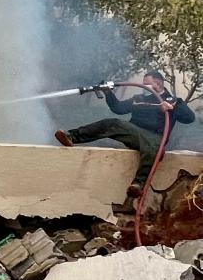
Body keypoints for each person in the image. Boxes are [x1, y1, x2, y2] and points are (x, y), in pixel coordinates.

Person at [54, 70, 195, 198]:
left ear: (158, 83)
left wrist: (171, 108)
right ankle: (72, 136)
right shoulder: (138, 99)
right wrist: (108, 93)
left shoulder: (173, 101)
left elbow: (190, 118)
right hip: (133, 133)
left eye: (147, 84)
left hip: (154, 138)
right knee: (113, 123)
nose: (143, 87)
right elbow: (118, 108)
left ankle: (138, 185)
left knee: (154, 147)